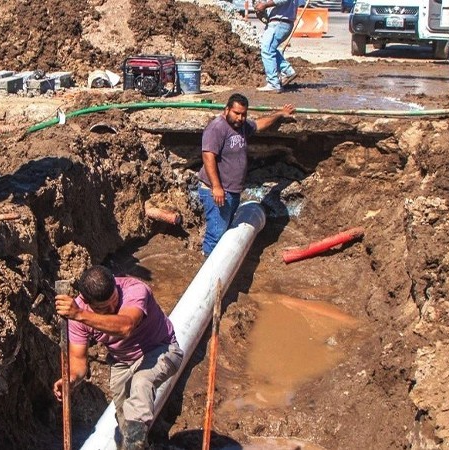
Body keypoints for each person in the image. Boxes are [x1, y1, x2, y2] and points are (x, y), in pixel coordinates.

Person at [54, 266, 183, 450]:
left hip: (161, 350)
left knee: (141, 382)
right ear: (86, 301)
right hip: (122, 362)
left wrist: (81, 315)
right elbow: (78, 363)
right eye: (103, 308)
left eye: (113, 301)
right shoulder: (78, 316)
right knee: (124, 420)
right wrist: (71, 380)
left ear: (116, 285)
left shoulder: (135, 289)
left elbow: (126, 326)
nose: (112, 308)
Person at [198, 93, 295, 256]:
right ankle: (209, 268)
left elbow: (259, 125)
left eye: (244, 114)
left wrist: (279, 114)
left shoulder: (241, 126)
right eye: (236, 113)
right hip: (217, 191)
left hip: (232, 190)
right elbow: (208, 156)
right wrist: (216, 187)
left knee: (225, 231)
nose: (240, 118)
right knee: (216, 234)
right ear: (227, 109)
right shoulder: (217, 128)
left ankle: (219, 267)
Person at [255, 0, 299, 93]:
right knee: (270, 49)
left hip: (279, 22)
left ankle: (273, 83)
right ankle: (287, 71)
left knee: (267, 50)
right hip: (281, 22)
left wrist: (264, 5)